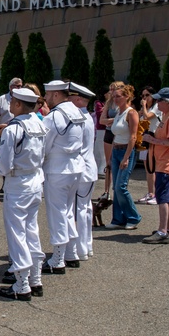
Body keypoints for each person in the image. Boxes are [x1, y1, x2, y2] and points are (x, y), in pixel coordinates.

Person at [0, 88, 48, 300]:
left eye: (12, 101)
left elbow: (4, 165)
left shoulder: (12, 129)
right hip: (35, 180)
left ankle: (22, 283)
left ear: (18, 105)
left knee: (17, 234)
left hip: (18, 183)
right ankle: (35, 278)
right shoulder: (39, 124)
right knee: (31, 230)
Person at [39, 80, 87, 273]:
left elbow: (44, 146)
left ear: (56, 95)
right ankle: (71, 253)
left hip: (58, 168)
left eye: (48, 95)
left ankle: (57, 259)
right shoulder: (77, 112)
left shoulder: (54, 116)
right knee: (68, 210)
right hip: (75, 166)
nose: (45, 98)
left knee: (57, 212)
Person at [142, 88, 169, 243]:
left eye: (159, 100)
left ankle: (162, 232)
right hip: (166, 161)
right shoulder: (168, 115)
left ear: (167, 102)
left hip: (166, 162)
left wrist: (152, 140)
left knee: (163, 197)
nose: (157, 102)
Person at [67, 83, 98, 264]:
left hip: (82, 169)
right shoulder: (86, 116)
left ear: (78, 99)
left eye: (70, 97)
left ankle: (79, 249)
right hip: (88, 168)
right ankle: (86, 246)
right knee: (85, 209)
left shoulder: (78, 117)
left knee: (79, 210)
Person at [105, 84, 141, 230]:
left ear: (127, 97)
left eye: (118, 96)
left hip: (127, 150)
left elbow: (133, 137)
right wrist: (111, 156)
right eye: (114, 96)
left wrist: (126, 158)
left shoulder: (131, 113)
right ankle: (118, 218)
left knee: (121, 186)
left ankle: (133, 217)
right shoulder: (118, 112)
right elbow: (115, 134)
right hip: (116, 150)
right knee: (116, 187)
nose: (115, 99)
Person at [135, 86, 161, 205]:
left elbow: (147, 117)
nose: (144, 98)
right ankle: (150, 193)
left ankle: (156, 194)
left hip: (153, 137)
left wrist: (144, 107)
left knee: (152, 167)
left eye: (147, 95)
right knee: (148, 167)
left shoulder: (156, 107)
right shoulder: (147, 108)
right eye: (143, 96)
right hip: (144, 137)